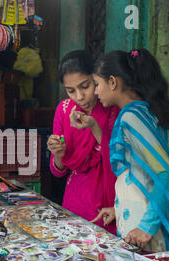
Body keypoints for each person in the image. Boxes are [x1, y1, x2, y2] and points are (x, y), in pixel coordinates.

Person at [92, 49, 169, 254]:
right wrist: (118, 209)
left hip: (144, 232)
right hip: (139, 220)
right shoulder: (144, 111)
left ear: (112, 82)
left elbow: (166, 173)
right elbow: (141, 174)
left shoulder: (132, 117)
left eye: (97, 84)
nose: (95, 92)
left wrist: (146, 227)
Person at [47, 50, 120, 235]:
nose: (79, 97)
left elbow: (119, 160)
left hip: (108, 201)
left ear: (96, 78)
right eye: (71, 91)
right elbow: (57, 171)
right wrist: (58, 154)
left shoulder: (112, 108)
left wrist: (95, 128)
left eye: (85, 86)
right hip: (75, 199)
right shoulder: (64, 110)